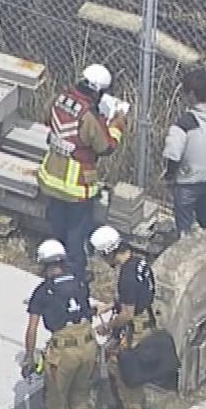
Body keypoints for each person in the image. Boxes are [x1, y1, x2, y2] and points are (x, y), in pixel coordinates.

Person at [38, 63, 128, 283]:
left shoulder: (59, 99)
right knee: (76, 234)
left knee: (57, 226)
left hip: (50, 177)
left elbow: (46, 119)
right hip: (76, 185)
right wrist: (117, 125)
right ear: (98, 90)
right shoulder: (88, 117)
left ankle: (54, 270)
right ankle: (75, 276)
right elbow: (105, 147)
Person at [23, 239, 97, 409]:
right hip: (89, 344)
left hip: (65, 351)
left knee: (56, 396)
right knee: (81, 392)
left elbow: (32, 328)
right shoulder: (79, 281)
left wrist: (29, 357)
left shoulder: (43, 291)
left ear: (44, 265)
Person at [92, 225, 156, 409]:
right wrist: (109, 306)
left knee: (122, 371)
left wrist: (107, 326)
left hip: (134, 327)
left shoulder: (126, 277)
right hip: (146, 317)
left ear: (108, 252)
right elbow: (134, 297)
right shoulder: (139, 262)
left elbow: (127, 314)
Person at [162, 66, 206, 235]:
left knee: (184, 224)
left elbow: (173, 154)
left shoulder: (184, 125)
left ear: (191, 94)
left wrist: (170, 177)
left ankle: (185, 248)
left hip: (187, 182)